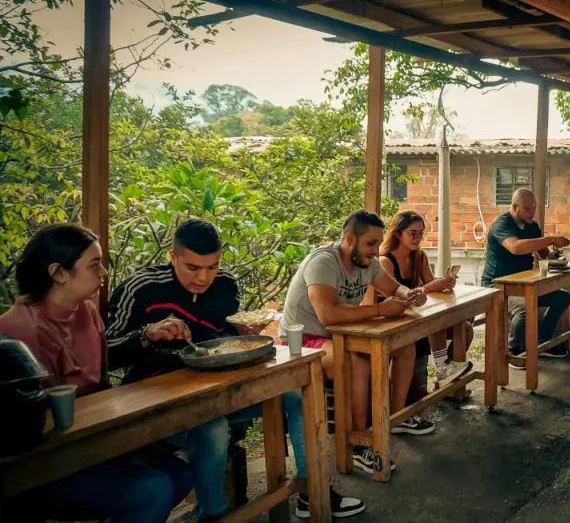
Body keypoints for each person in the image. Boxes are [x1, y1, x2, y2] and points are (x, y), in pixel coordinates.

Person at [106, 218, 364, 520]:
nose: (204, 278)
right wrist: (146, 334)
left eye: (212, 267)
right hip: (164, 402)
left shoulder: (226, 285)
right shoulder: (142, 288)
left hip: (220, 391)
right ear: (173, 257)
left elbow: (223, 342)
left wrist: (241, 332)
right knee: (213, 428)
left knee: (300, 395)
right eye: (192, 268)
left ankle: (313, 490)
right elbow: (106, 353)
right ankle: (212, 514)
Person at [0, 224, 194, 523]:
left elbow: (102, 373)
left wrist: (146, 336)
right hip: (46, 460)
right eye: (94, 265)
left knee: (182, 475)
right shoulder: (15, 333)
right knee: (154, 489)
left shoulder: (87, 312)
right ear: (59, 273)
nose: (103, 273)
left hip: (99, 439)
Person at [280, 210, 427, 473]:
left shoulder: (368, 263)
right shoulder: (323, 262)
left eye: (378, 243)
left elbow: (394, 289)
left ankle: (392, 420)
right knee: (357, 362)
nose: (375, 250)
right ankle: (359, 445)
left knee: (405, 344)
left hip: (341, 335)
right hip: (303, 340)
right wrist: (382, 310)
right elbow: (328, 314)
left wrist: (411, 295)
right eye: (370, 243)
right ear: (350, 239)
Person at [378, 210, 473, 435]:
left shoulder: (419, 256)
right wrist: (433, 286)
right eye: (412, 233)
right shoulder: (385, 261)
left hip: (414, 316)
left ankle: (446, 382)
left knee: (465, 328)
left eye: (421, 233)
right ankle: (442, 368)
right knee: (434, 320)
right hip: (392, 320)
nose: (417, 238)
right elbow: (399, 296)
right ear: (398, 233)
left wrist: (445, 283)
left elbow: (430, 285)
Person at [480, 188, 570, 367]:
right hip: (497, 285)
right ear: (515, 207)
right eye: (528, 209)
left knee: (563, 297)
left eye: (534, 208)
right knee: (524, 309)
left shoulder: (532, 226)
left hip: (524, 284)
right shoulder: (502, 224)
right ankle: (514, 351)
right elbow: (515, 247)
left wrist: (559, 256)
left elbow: (544, 255)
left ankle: (541, 342)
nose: (532, 212)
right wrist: (551, 239)